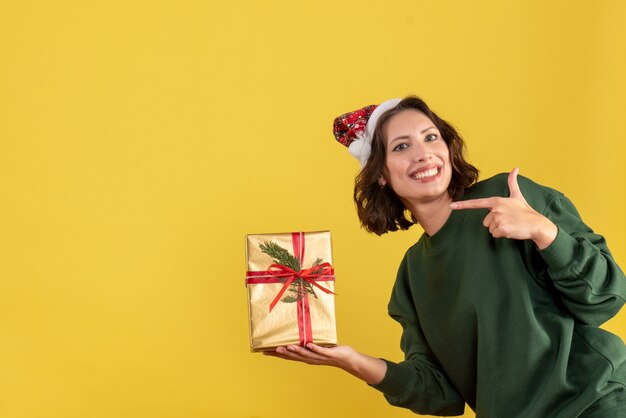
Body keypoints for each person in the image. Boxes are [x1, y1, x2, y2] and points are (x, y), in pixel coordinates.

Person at [264, 96, 626, 417]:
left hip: (595, 403)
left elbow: (605, 299)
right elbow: (441, 394)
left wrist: (545, 232)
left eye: (430, 137)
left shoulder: (510, 197)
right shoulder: (413, 275)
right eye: (401, 147)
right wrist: (351, 361)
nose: (423, 153)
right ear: (382, 176)